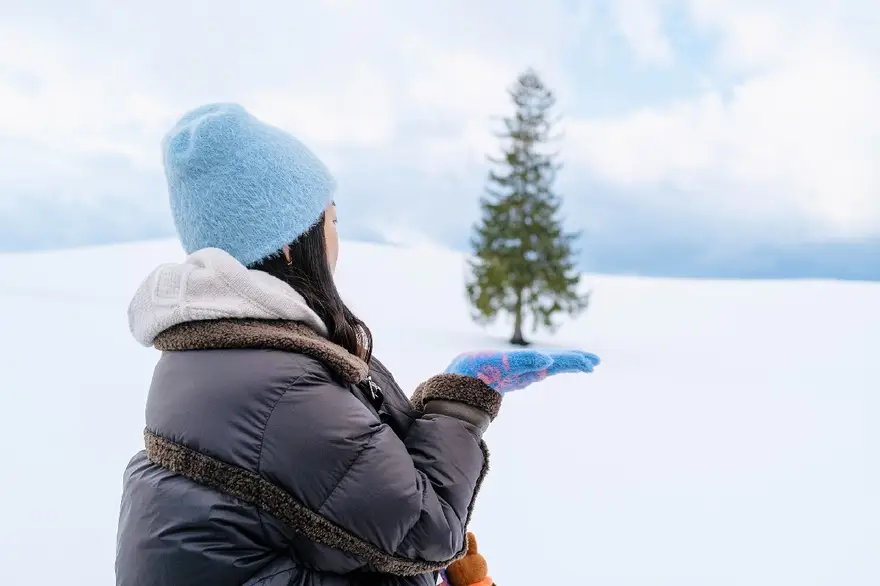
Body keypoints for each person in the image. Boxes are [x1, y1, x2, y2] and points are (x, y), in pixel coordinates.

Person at [116, 103, 599, 586]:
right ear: (289, 242)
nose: (336, 239)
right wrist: (461, 402)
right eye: (331, 220)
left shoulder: (222, 360)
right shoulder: (282, 388)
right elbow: (426, 530)